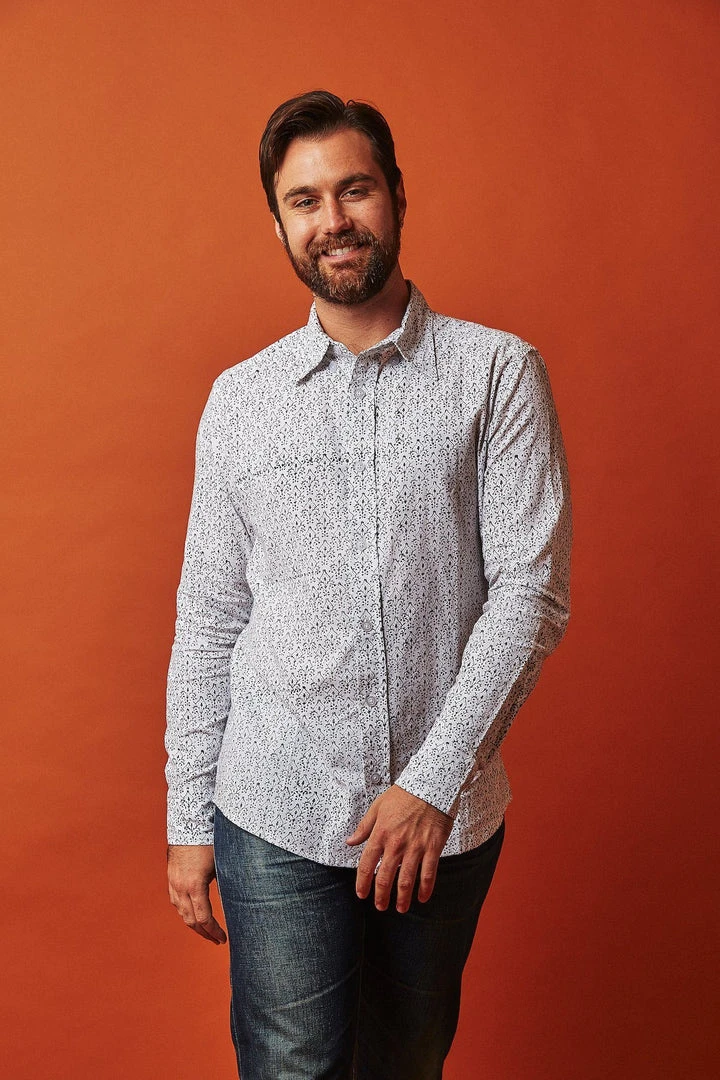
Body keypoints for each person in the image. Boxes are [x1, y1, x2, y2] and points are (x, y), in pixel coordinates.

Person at [165, 89, 572, 1079]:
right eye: (304, 200)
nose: (333, 219)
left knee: (405, 1062)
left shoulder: (497, 374)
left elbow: (530, 592)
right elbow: (210, 619)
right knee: (291, 1066)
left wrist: (432, 784)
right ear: (279, 224)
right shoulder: (240, 401)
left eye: (355, 189)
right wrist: (187, 815)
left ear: (396, 196)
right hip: (275, 809)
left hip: (445, 819)